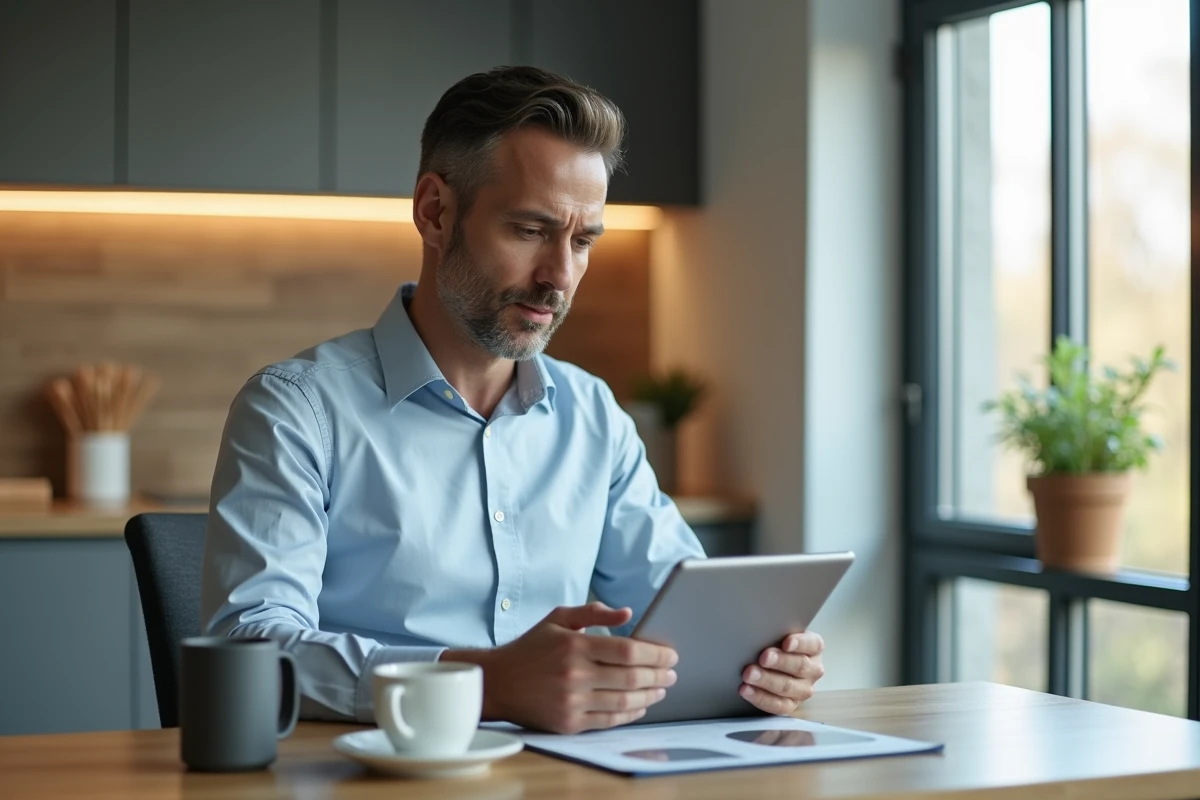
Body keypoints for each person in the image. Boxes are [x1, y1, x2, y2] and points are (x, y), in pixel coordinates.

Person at [201, 65, 825, 734]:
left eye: (582, 241)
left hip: (569, 771)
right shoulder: (296, 410)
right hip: (370, 771)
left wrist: (759, 662)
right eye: (530, 230)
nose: (560, 275)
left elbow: (687, 614)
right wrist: (482, 684)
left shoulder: (593, 415)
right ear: (435, 212)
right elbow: (250, 647)